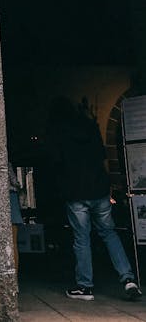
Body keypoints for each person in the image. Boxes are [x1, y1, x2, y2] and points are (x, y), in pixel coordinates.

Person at [47, 96, 141, 301]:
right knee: (109, 233)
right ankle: (128, 279)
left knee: (82, 238)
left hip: (75, 192)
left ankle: (85, 286)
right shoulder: (90, 126)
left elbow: (56, 162)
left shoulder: (58, 132)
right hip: (98, 189)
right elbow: (102, 157)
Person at [9, 161, 23, 273]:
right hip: (11, 198)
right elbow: (14, 182)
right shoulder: (7, 163)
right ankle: (15, 277)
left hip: (10, 197)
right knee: (13, 242)